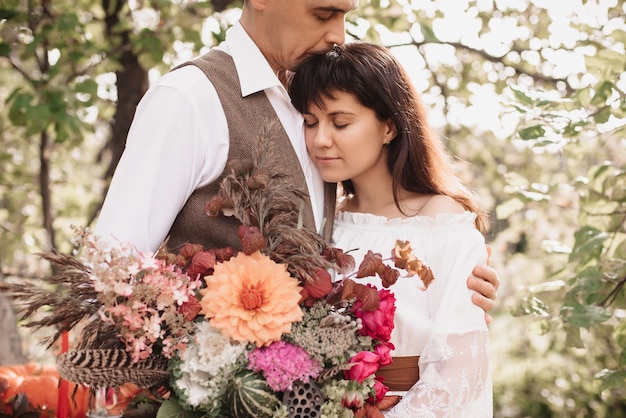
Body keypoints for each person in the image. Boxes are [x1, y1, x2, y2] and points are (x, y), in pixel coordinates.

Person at [95, 0, 498, 317]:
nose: (338, 34)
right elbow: (107, 274)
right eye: (323, 13)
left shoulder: (310, 98)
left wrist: (448, 285)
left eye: (344, 15)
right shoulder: (189, 99)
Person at [288, 42, 492, 416]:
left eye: (341, 122)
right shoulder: (320, 223)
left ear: (389, 126)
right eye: (311, 122)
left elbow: (461, 371)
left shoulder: (444, 224)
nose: (320, 139)